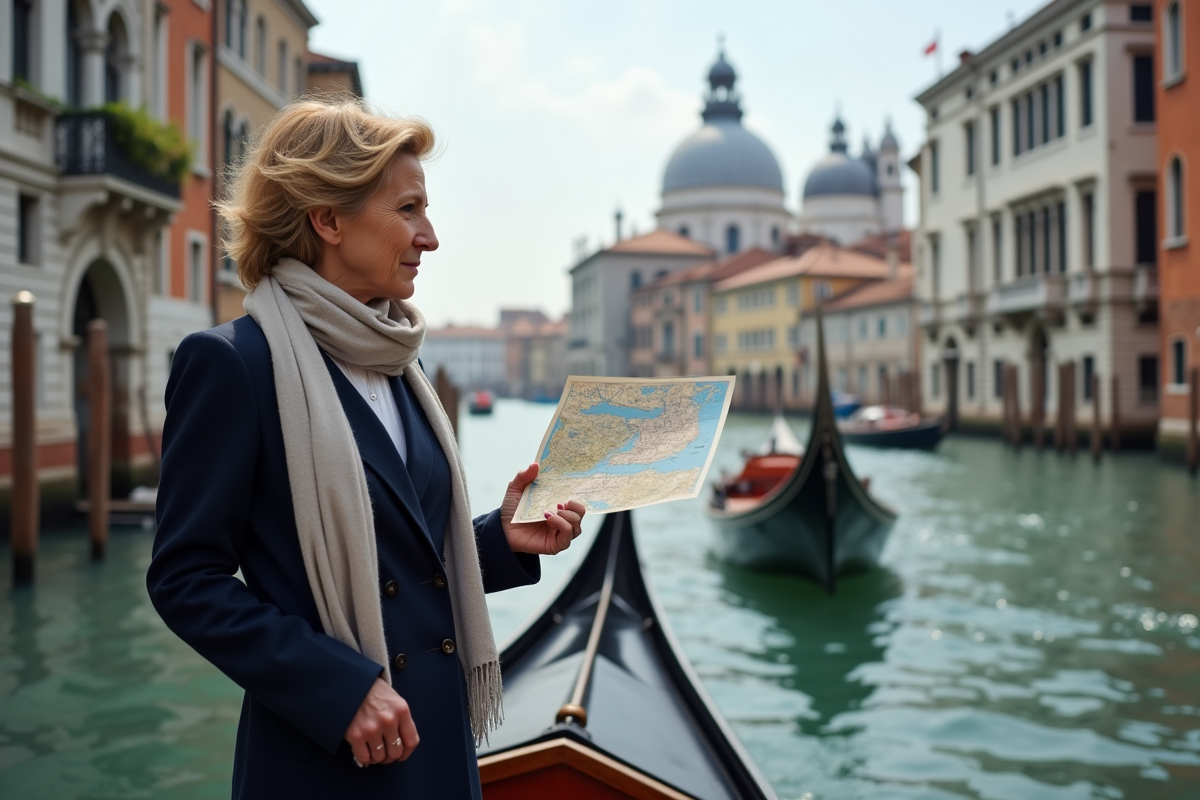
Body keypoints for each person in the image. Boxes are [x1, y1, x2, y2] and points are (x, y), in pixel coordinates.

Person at [146, 99, 585, 799]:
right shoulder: (233, 364)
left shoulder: (398, 362)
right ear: (329, 219)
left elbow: (401, 558)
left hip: (436, 746)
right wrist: (338, 688)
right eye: (408, 209)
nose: (430, 236)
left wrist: (499, 541)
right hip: (327, 755)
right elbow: (184, 580)